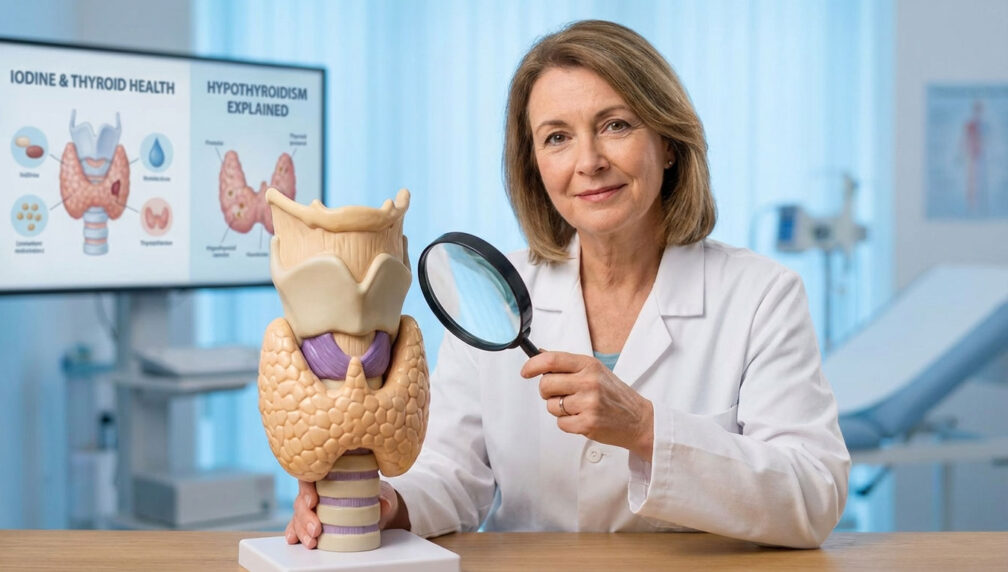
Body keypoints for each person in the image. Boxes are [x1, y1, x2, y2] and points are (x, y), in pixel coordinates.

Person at [286, 19, 849, 549]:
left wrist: (647, 429)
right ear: (534, 164)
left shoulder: (761, 295)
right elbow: (454, 474)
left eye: (616, 125)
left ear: (670, 143)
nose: (589, 161)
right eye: (556, 137)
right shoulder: (490, 293)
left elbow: (814, 495)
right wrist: (389, 503)